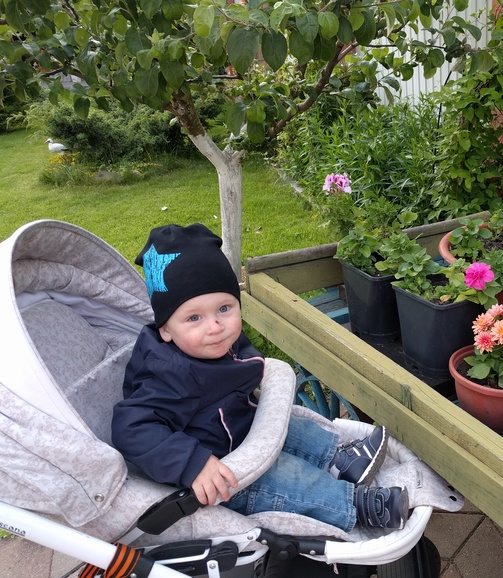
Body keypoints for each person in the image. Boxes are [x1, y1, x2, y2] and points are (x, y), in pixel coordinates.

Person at [111, 223, 408, 531]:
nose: (215, 326)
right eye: (194, 317)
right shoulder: (168, 374)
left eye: (224, 308)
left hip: (237, 426)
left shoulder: (211, 344)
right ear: (166, 330)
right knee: (288, 478)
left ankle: (339, 459)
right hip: (222, 470)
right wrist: (192, 463)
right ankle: (353, 505)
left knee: (293, 427)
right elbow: (131, 428)